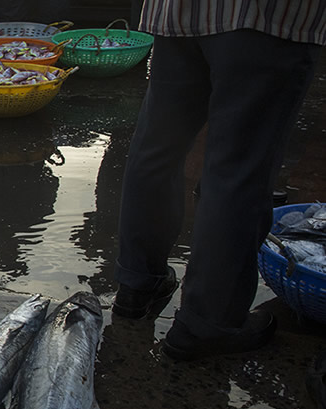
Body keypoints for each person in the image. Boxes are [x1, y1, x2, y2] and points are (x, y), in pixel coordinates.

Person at [112, 0, 325, 361]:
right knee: (238, 169)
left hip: (178, 12)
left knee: (158, 149)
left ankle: (136, 285)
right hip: (264, 19)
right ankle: (207, 324)